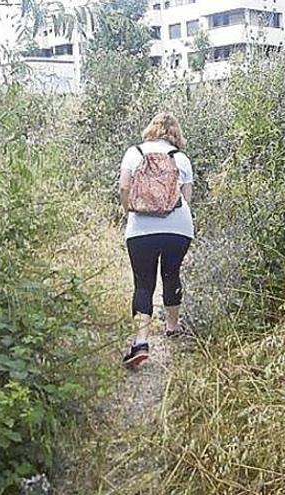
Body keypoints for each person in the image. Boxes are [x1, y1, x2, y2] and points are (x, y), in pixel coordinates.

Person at [118, 112, 195, 369]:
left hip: (141, 228)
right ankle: (172, 327)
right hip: (178, 227)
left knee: (143, 283)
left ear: (150, 129)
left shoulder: (134, 153)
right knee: (171, 274)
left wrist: (129, 210)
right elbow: (186, 198)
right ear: (176, 133)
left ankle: (141, 341)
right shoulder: (181, 158)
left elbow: (124, 188)